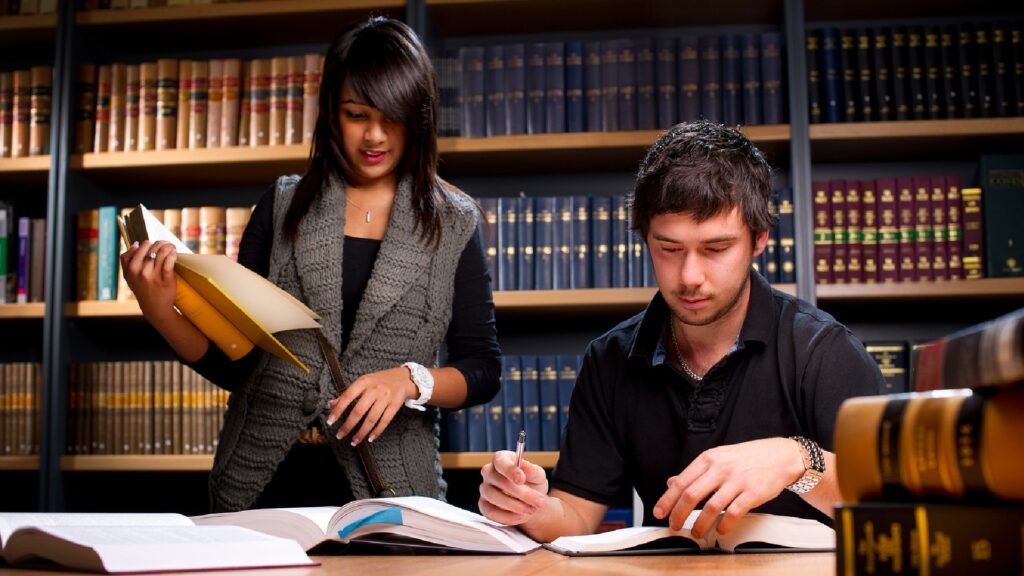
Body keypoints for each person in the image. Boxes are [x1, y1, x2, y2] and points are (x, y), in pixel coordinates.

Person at [121, 17, 500, 512]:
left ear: (419, 118)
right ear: (330, 113)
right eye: (356, 114)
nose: (375, 136)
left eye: (393, 118)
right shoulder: (281, 206)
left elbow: (483, 369)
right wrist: (160, 310)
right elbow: (238, 362)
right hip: (259, 491)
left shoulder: (453, 223)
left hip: (392, 498)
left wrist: (408, 380)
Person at [478, 121, 884, 542]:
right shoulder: (611, 358)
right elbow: (576, 517)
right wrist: (526, 505)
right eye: (669, 249)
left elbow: (888, 503)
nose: (690, 277)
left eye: (716, 249)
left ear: (758, 239)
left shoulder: (824, 351)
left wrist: (798, 460)